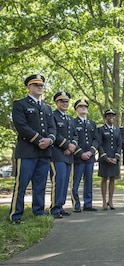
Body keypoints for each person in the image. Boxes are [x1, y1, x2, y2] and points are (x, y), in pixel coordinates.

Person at [9, 74, 56, 224]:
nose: (39, 87)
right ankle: (15, 215)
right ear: (29, 87)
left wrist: (50, 140)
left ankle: (39, 211)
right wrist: (38, 140)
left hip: (45, 152)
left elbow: (52, 128)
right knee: (21, 185)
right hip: (27, 151)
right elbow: (21, 125)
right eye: (36, 85)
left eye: (41, 85)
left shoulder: (47, 108)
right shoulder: (20, 104)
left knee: (40, 185)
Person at [50, 91, 78, 219]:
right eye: (62, 101)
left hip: (68, 155)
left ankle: (60, 206)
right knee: (59, 179)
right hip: (57, 153)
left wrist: (72, 146)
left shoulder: (70, 119)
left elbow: (75, 135)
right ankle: (54, 208)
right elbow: (53, 133)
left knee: (65, 181)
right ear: (56, 102)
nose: (65, 103)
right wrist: (67, 145)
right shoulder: (53, 116)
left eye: (66, 101)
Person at [72, 99, 98, 212]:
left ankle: (88, 204)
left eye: (85, 106)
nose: (83, 108)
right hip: (78, 158)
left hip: (90, 158)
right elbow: (72, 139)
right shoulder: (72, 122)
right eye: (80, 106)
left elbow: (96, 140)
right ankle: (76, 204)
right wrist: (80, 153)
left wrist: (91, 152)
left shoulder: (92, 123)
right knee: (76, 182)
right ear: (76, 109)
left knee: (89, 182)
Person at [98, 109, 122, 210]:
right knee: (104, 179)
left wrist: (116, 157)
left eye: (112, 115)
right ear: (105, 117)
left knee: (112, 179)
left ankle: (110, 201)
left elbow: (119, 144)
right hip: (105, 159)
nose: (111, 117)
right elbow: (99, 144)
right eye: (108, 115)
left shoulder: (117, 130)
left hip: (114, 159)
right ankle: (104, 202)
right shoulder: (101, 129)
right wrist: (105, 157)